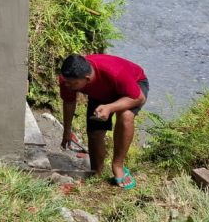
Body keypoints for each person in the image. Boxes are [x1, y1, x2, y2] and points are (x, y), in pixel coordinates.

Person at [58, 53, 149, 190]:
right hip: (101, 93)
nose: (67, 85)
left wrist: (110, 107)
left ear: (87, 79)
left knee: (126, 115)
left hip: (132, 88)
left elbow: (139, 98)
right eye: (66, 81)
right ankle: (97, 173)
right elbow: (69, 102)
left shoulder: (115, 72)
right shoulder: (68, 79)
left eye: (73, 83)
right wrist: (67, 131)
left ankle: (118, 165)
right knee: (95, 132)